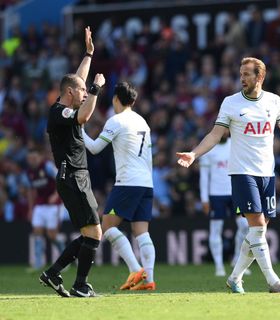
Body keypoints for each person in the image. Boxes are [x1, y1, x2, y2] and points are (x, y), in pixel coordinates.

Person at [177, 57, 280, 293]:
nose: (242, 78)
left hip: (267, 174)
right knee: (258, 226)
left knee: (257, 231)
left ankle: (234, 277)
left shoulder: (274, 102)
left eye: (247, 74)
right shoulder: (231, 103)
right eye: (241, 74)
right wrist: (194, 154)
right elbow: (214, 135)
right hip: (242, 173)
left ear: (260, 77)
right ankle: (273, 281)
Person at [41, 26, 105, 298]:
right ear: (70, 93)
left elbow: (77, 80)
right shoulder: (61, 113)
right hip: (73, 176)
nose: (84, 95)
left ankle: (54, 273)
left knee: (90, 233)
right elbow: (84, 117)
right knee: (95, 233)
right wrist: (95, 90)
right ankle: (80, 285)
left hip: (75, 176)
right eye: (80, 92)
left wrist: (88, 54)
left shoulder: (63, 104)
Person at [82, 82, 156, 291]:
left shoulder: (116, 121)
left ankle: (135, 269)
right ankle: (148, 279)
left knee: (107, 226)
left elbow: (95, 148)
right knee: (142, 232)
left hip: (128, 182)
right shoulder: (142, 122)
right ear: (133, 101)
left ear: (116, 99)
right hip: (145, 183)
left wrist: (79, 131)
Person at [199, 133, 250, 277]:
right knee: (216, 229)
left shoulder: (236, 144)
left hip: (235, 193)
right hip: (216, 195)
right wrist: (204, 199)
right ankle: (219, 266)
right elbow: (204, 176)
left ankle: (236, 260)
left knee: (245, 226)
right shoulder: (208, 147)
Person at [26, 148, 66, 271]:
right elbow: (31, 191)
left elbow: (60, 179)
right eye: (30, 159)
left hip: (53, 206)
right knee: (37, 231)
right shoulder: (29, 172)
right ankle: (38, 263)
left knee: (51, 235)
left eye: (34, 158)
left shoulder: (47, 167)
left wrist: (55, 195)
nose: (32, 161)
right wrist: (31, 208)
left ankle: (65, 257)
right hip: (40, 205)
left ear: (40, 157)